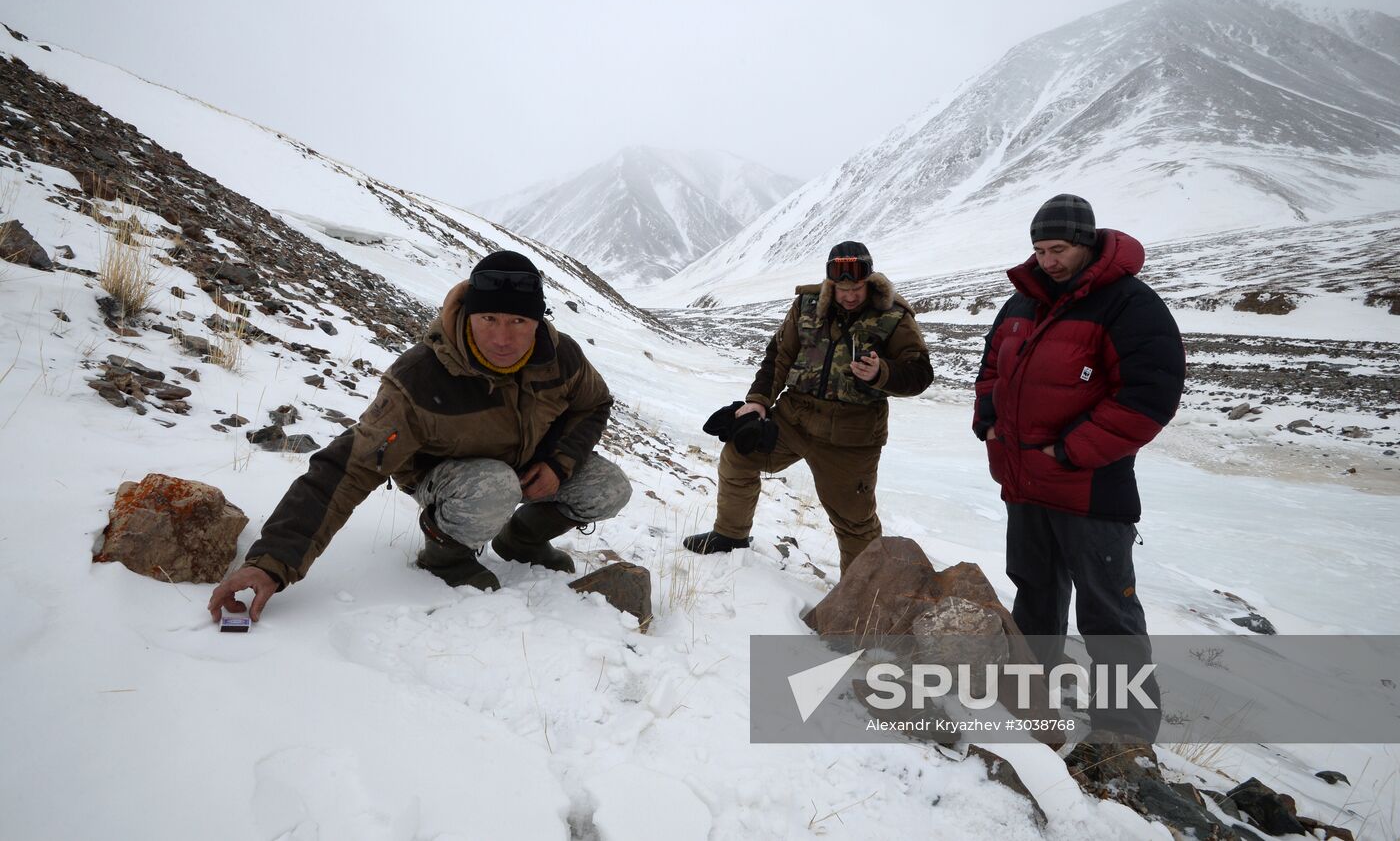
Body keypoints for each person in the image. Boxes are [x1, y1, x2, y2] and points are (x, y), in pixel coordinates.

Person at [207, 250, 632, 622]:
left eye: (519, 321)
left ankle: (521, 540)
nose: (503, 338)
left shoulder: (561, 356)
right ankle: (445, 556)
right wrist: (271, 564)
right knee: (493, 484)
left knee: (609, 488)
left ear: (537, 321)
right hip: (449, 479)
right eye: (489, 319)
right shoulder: (420, 378)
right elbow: (345, 468)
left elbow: (593, 404)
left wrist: (559, 462)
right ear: (469, 315)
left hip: (529, 464)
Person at [973, 193, 1184, 743]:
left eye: (1059, 249)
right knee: (1034, 595)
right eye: (1040, 250)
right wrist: (989, 424)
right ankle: (1028, 704)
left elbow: (1149, 396)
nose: (1048, 261)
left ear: (1087, 242)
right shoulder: (1021, 303)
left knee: (1108, 613)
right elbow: (991, 368)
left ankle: (1125, 738)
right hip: (1023, 483)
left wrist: (1070, 452)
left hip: (1090, 490)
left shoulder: (1128, 305)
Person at [684, 241, 933, 573]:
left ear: (869, 281)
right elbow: (779, 356)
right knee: (738, 456)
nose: (849, 295)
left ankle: (860, 596)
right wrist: (758, 402)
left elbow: (920, 374)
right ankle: (730, 536)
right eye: (842, 288)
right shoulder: (807, 305)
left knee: (854, 520)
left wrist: (881, 372)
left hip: (851, 435)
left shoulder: (893, 315)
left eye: (857, 287)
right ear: (831, 282)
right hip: (795, 418)